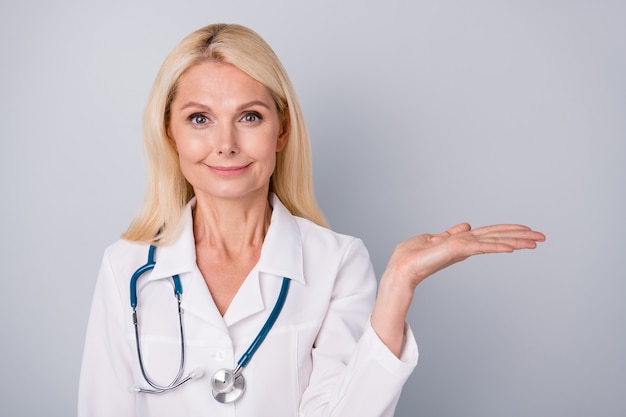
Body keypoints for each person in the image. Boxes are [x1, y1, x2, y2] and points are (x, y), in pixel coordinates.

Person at [78, 23, 545, 417]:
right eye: (199, 119)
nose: (225, 144)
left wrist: (398, 284)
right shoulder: (127, 268)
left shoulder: (337, 262)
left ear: (281, 131)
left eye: (250, 117)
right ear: (169, 133)